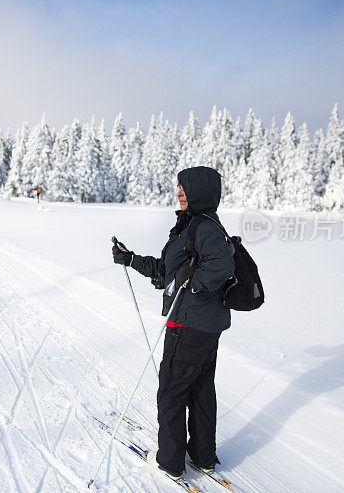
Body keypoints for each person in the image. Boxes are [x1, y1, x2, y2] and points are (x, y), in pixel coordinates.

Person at [111, 166, 235, 480]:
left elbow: (220, 266)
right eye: (178, 187)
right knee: (201, 389)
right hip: (205, 325)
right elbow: (169, 273)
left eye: (185, 188)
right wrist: (132, 259)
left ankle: (170, 461)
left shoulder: (204, 227)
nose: (179, 192)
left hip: (189, 324)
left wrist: (193, 285)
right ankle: (202, 455)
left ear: (200, 193)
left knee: (172, 392)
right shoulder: (190, 226)